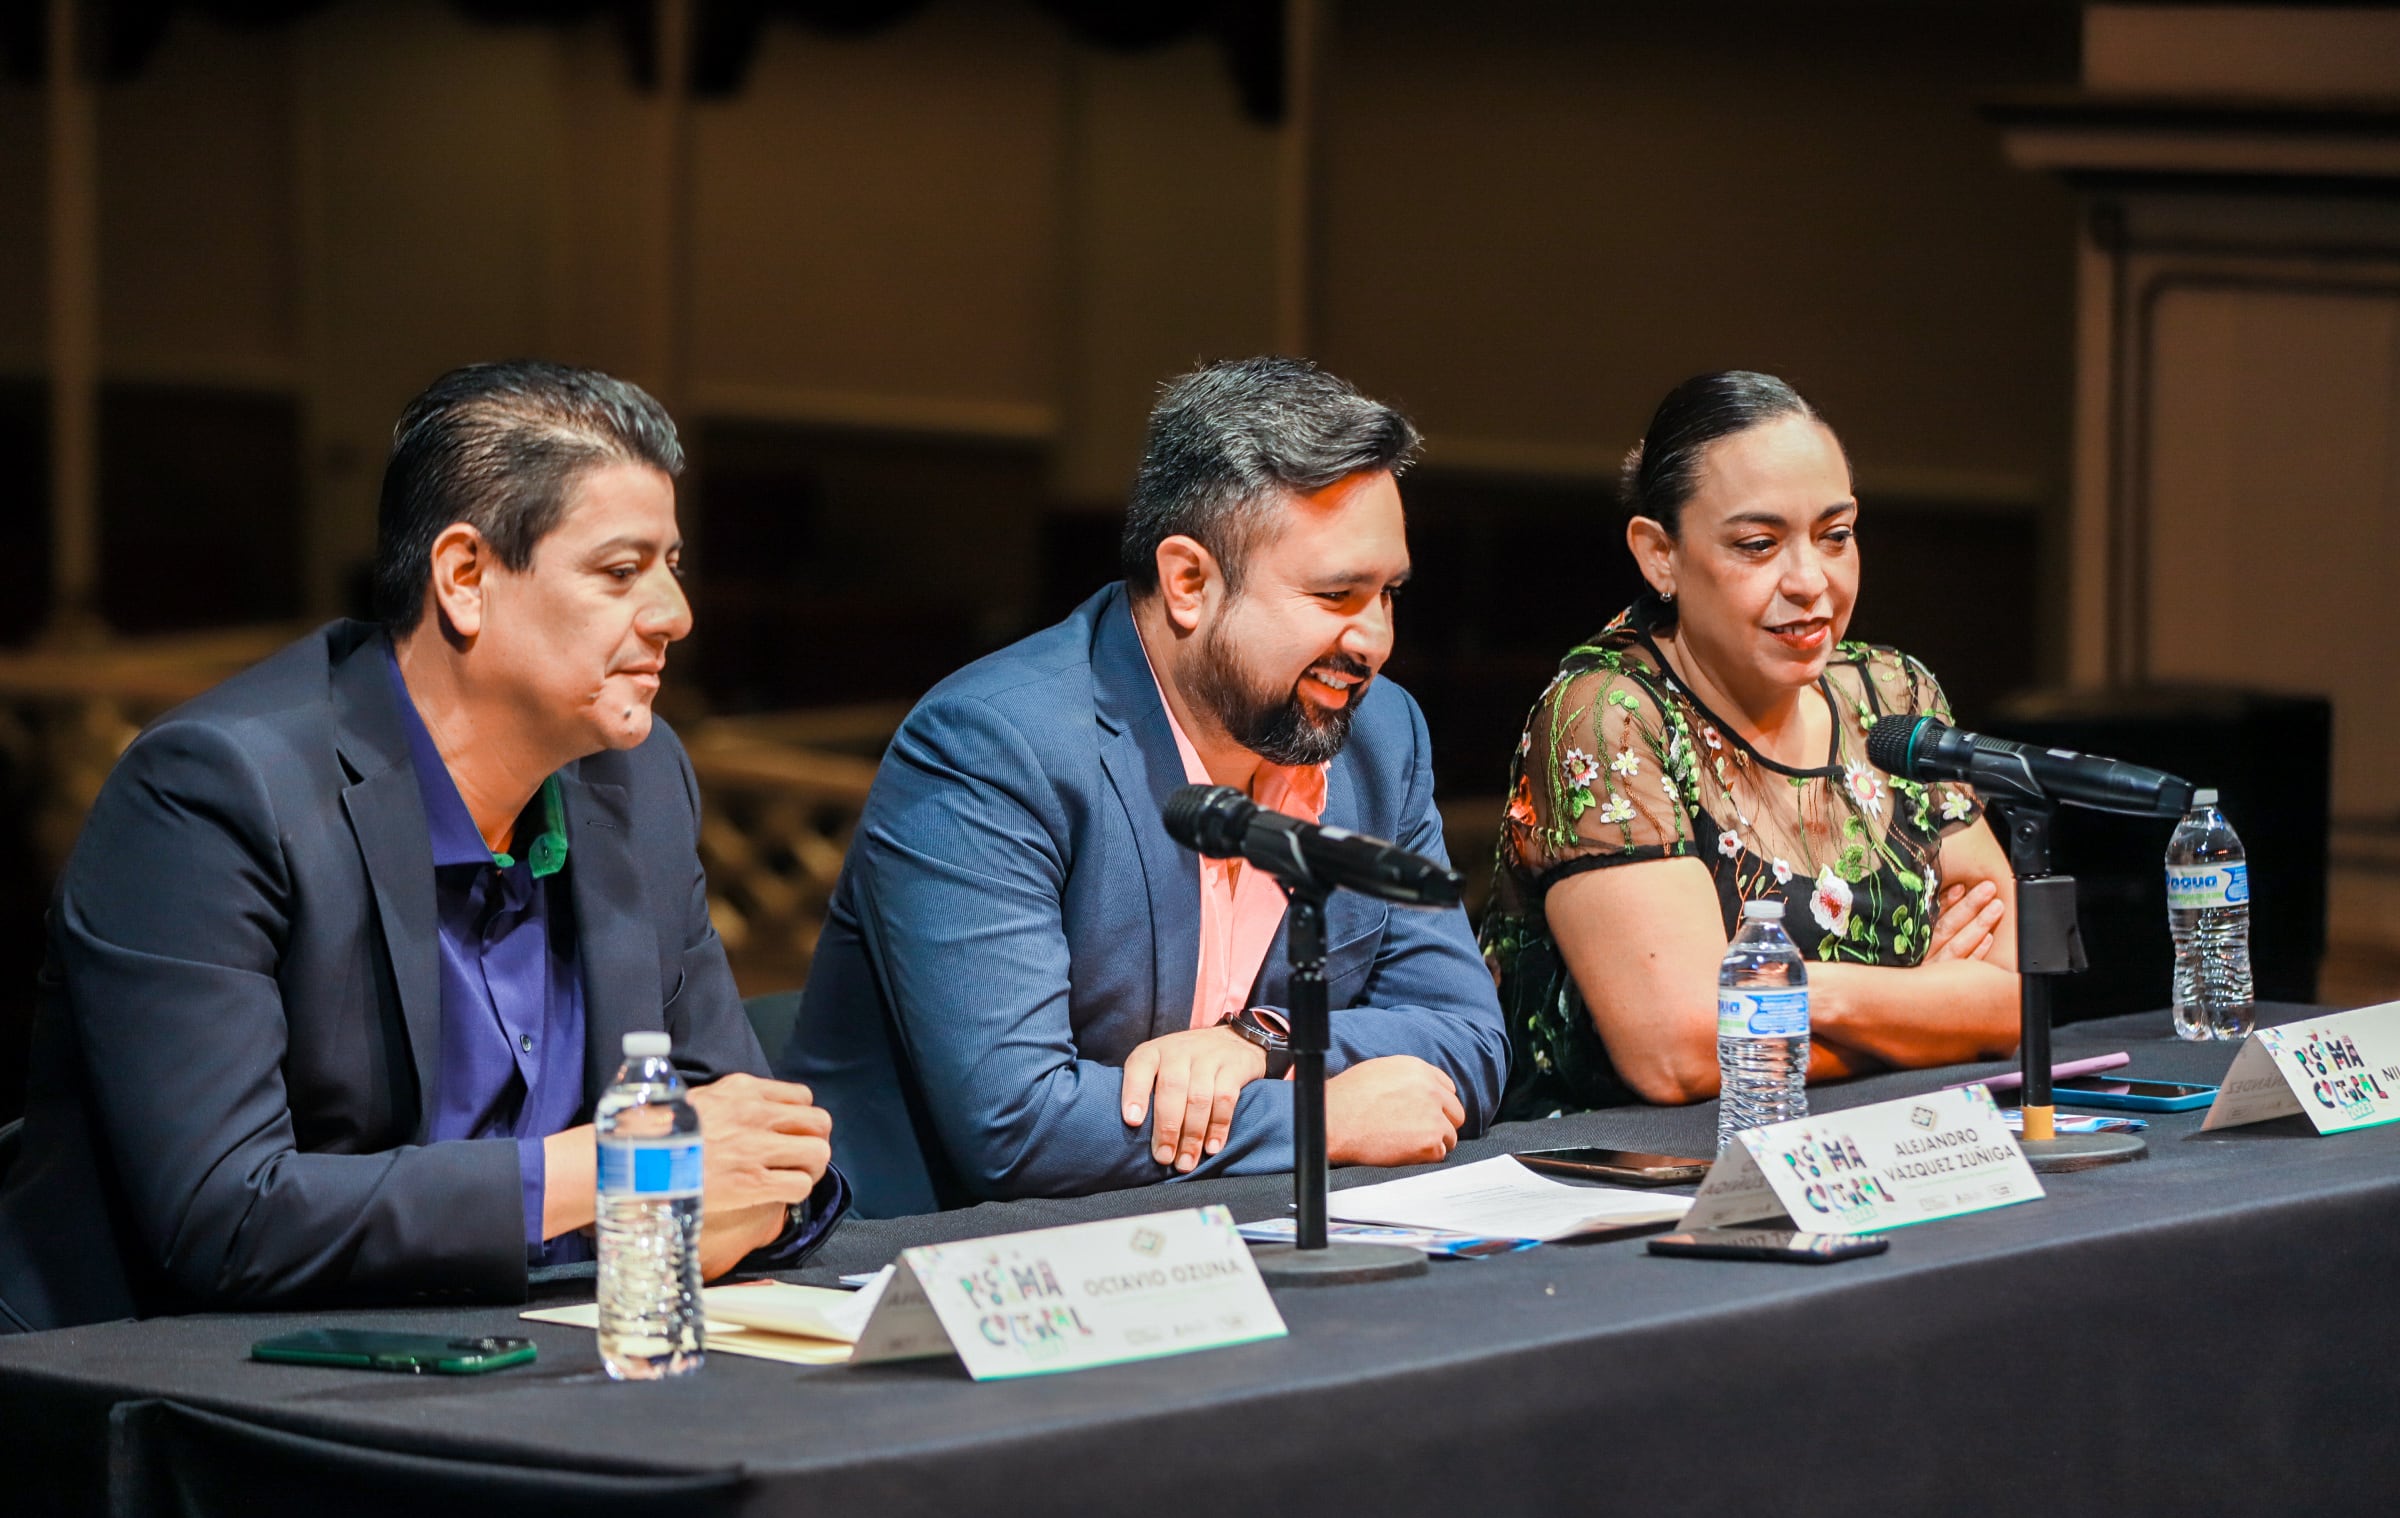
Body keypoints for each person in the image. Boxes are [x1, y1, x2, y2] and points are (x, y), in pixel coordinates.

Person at [0, 361, 845, 1334]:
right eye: (622, 571)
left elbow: (734, 1133)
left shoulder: (640, 780)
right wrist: (604, 1171)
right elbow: (222, 1218)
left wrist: (745, 1177)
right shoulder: (216, 794)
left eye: (673, 566)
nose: (674, 616)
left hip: (527, 1348)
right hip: (167, 1387)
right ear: (466, 578)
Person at [786, 357, 1509, 1216]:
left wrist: (1264, 1044)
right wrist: (1320, 1114)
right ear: (1189, 581)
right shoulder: (994, 746)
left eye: (1388, 593)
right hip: (930, 1270)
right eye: (1336, 595)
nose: (1374, 641)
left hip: (1236, 1240)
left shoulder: (1382, 736)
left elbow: (1468, 1035)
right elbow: (1017, 1127)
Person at [1482, 371, 2020, 1116]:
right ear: (1658, 555)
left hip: (1879, 1143)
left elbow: (2007, 1007)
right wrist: (1926, 1008)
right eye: (1759, 544)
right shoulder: (1607, 714)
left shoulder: (1893, 695)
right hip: (1628, 1179)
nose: (1810, 581)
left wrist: (1784, 992)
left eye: (1836, 536)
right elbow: (1679, 1054)